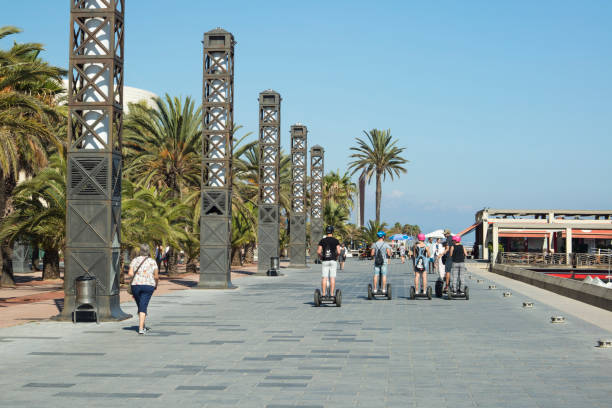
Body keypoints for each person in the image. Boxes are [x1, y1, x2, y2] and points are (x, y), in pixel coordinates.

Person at [127, 244, 159, 335]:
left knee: (141, 305)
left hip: (136, 285)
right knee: (143, 305)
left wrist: (137, 275)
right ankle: (141, 328)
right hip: (149, 286)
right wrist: (156, 284)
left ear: (140, 251)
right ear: (148, 251)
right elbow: (156, 276)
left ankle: (142, 324)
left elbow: (130, 274)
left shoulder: (135, 260)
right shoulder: (152, 261)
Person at [317, 226, 341, 298]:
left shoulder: (322, 240)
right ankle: (332, 294)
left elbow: (318, 251)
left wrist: (321, 257)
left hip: (325, 261)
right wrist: (336, 256)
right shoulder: (336, 240)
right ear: (332, 232)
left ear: (326, 232)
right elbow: (339, 252)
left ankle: (323, 294)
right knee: (332, 278)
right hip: (333, 260)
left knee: (324, 278)